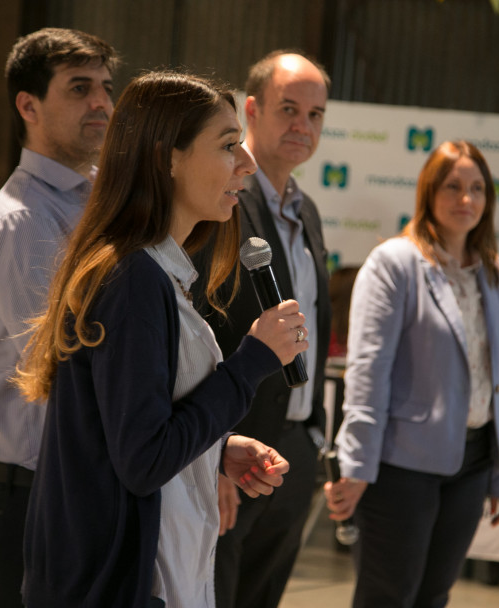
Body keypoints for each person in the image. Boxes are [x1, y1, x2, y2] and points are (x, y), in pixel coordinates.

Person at [14, 70, 308, 608]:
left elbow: (134, 421)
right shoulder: (134, 279)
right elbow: (142, 458)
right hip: (121, 583)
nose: (245, 162)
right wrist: (251, 362)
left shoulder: (155, 272)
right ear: (167, 158)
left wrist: (218, 447)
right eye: (227, 145)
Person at [0, 28, 118, 608]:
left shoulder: (100, 201)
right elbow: (61, 364)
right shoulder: (20, 220)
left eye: (105, 86)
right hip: (25, 495)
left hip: (77, 486)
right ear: (28, 106)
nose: (101, 102)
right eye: (80, 88)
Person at [325, 140, 499, 607]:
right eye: (453, 187)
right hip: (400, 467)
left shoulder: (491, 270)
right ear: (429, 192)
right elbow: (369, 369)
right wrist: (356, 465)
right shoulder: (394, 264)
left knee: (434, 596)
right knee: (387, 596)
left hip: (471, 464)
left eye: (477, 188)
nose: (466, 199)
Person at [199, 50, 333, 608]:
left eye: (316, 114)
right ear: (251, 110)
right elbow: (204, 331)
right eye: (289, 109)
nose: (303, 125)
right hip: (238, 451)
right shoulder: (222, 201)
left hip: (295, 450)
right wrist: (214, 452)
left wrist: (314, 441)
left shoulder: (308, 212)